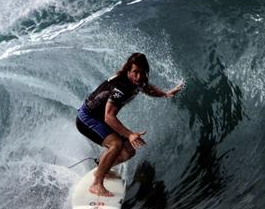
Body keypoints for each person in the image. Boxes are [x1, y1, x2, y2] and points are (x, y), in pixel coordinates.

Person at [76, 53, 184, 197]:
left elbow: (147, 88)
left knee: (129, 151)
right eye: (135, 72)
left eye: (142, 73)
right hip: (87, 118)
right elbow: (109, 117)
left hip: (100, 118)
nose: (138, 77)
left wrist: (165, 94)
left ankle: (101, 166)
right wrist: (130, 134)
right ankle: (96, 184)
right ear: (128, 71)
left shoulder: (139, 81)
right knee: (116, 145)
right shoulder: (121, 88)